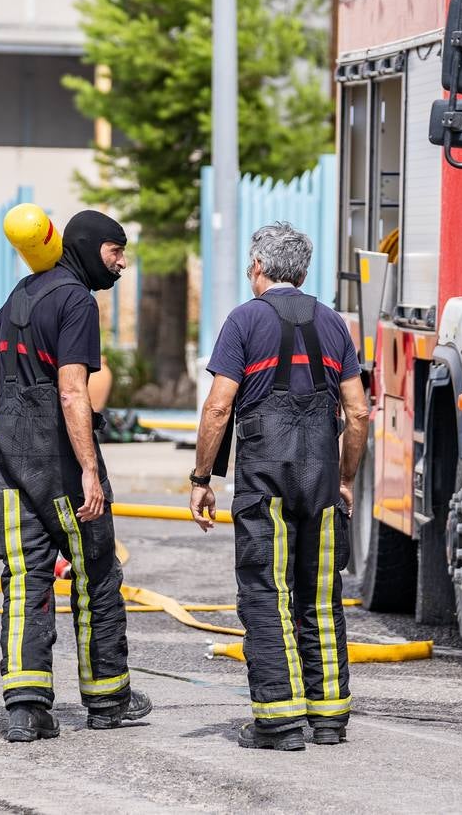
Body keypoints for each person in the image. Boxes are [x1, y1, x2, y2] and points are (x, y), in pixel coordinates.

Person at [187, 222, 371, 751]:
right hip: (321, 479)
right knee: (320, 595)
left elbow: (219, 406)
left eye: (251, 267)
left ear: (259, 269)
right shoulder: (334, 324)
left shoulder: (244, 321)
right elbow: (357, 412)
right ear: (304, 271)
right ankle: (329, 717)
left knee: (267, 594)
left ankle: (278, 721)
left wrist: (202, 479)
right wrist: (346, 478)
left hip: (264, 477)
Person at [0, 209, 150, 742]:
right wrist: (90, 470)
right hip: (58, 464)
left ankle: (25, 708)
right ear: (89, 245)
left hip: (7, 460)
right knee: (96, 573)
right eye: (115, 251)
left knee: (24, 579)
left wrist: (15, 323)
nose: (121, 263)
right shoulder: (77, 300)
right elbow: (73, 390)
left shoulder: (25, 291)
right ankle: (108, 699)